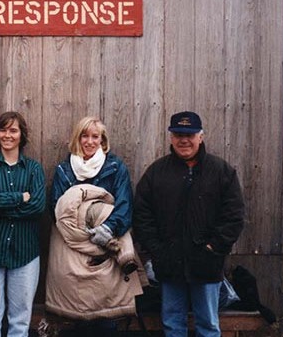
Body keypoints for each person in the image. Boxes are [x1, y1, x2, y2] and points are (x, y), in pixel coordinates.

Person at [133, 111, 245, 337]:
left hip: (207, 265)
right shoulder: (156, 173)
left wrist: (213, 249)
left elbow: (233, 216)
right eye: (178, 134)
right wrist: (157, 250)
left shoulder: (221, 171)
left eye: (190, 134)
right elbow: (142, 215)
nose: (184, 140)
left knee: (208, 326)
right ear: (171, 137)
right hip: (169, 265)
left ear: (201, 137)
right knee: (173, 324)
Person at [45, 116, 143, 336]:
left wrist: (107, 228)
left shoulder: (116, 167)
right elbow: (57, 208)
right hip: (70, 246)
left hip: (106, 246)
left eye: (95, 136)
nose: (89, 141)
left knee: (105, 317)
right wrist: (80, 228)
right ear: (77, 138)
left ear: (102, 140)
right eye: (84, 135)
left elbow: (124, 204)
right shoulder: (64, 170)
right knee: (74, 318)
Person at [0, 112, 46, 337]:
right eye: (3, 130)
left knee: (20, 321)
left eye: (13, 130)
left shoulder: (34, 169)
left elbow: (37, 206)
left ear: (22, 135)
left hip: (25, 252)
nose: (8, 135)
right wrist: (19, 197)